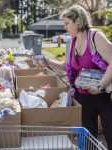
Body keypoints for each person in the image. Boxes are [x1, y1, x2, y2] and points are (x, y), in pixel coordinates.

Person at [45, 5, 112, 150]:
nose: (65, 27)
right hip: (83, 97)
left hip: (104, 95)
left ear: (78, 21)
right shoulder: (71, 42)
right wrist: (48, 62)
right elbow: (66, 66)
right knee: (88, 140)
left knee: (110, 135)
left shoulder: (95, 37)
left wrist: (99, 86)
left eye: (67, 23)